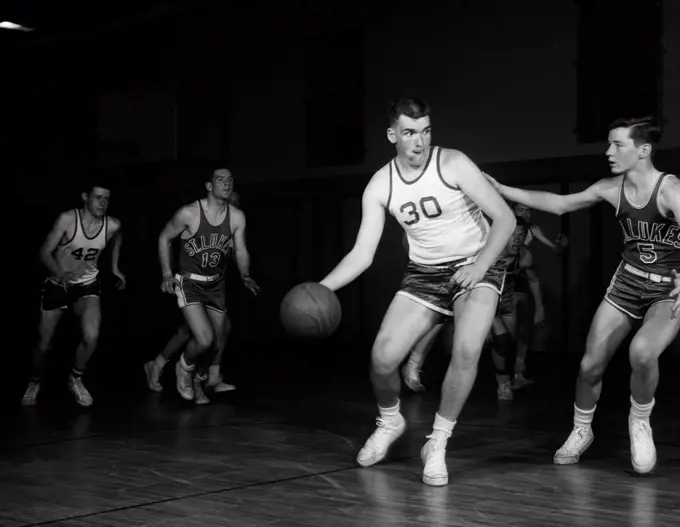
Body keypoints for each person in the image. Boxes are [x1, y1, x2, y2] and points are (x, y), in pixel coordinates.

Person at [319, 98, 516, 486]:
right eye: (410, 132)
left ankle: (437, 443)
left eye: (425, 131)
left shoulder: (454, 163)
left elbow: (505, 219)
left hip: (476, 264)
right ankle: (390, 421)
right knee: (381, 359)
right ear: (393, 135)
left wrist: (478, 267)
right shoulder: (380, 184)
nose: (419, 141)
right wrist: (322, 288)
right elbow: (362, 254)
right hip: (424, 273)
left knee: (468, 347)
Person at [486, 116, 680, 474]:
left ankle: (639, 421)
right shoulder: (610, 188)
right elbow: (560, 204)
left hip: (668, 288)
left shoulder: (669, 190)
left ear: (644, 150)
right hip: (627, 282)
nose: (608, 151)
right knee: (590, 365)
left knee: (641, 352)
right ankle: (581, 430)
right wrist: (502, 189)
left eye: (618, 145)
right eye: (608, 143)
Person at [158, 170, 259, 404]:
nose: (227, 183)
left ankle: (198, 378)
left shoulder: (236, 217)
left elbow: (241, 249)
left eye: (230, 180)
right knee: (204, 339)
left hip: (216, 284)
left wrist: (245, 275)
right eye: (220, 179)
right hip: (189, 281)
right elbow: (164, 238)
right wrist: (166, 273)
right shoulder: (189, 213)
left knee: (218, 341)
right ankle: (183, 369)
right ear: (208, 185)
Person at [21, 183, 125, 407]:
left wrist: (115, 268)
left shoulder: (112, 224)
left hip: (86, 286)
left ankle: (75, 378)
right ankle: (34, 381)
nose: (103, 203)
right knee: (43, 345)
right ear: (85, 197)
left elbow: (118, 238)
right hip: (57, 285)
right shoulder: (68, 219)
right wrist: (61, 273)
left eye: (107, 199)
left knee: (91, 336)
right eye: (98, 197)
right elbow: (44, 252)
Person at [144, 191, 244, 393]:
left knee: (208, 330)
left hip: (213, 287)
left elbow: (230, 256)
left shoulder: (233, 224)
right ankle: (161, 365)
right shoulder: (196, 218)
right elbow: (168, 240)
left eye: (234, 204)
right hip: (190, 283)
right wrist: (167, 274)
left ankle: (208, 376)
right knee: (195, 332)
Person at [489, 217, 544, 400]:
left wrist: (540, 308)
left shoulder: (524, 255)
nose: (517, 239)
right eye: (513, 235)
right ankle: (503, 385)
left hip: (505, 302)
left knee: (508, 344)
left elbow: (534, 281)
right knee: (502, 340)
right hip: (485, 302)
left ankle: (511, 377)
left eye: (521, 235)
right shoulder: (489, 252)